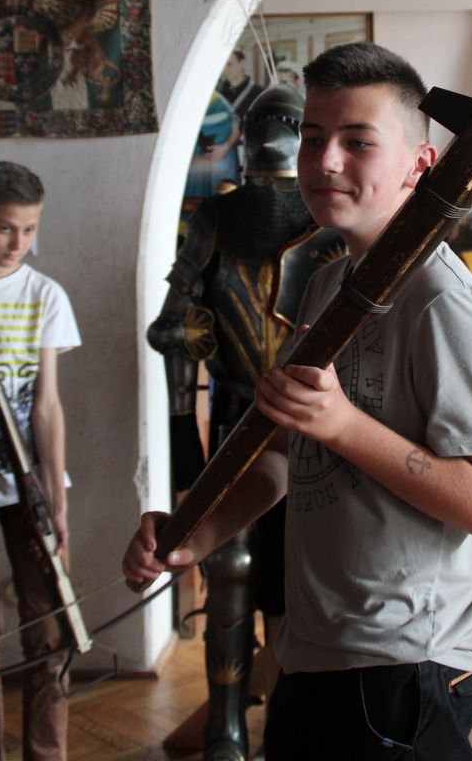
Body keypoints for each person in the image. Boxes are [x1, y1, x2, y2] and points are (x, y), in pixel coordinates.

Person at [124, 42, 472, 761]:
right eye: (313, 138)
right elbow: (284, 454)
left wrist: (345, 426)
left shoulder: (442, 305)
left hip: (408, 660)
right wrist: (197, 535)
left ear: (419, 164)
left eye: (358, 141)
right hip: (314, 648)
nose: (325, 161)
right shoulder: (323, 284)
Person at [147, 84, 346, 761]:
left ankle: (288, 719)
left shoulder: (331, 225)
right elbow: (174, 331)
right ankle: (226, 724)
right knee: (229, 563)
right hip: (237, 411)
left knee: (304, 569)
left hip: (316, 419)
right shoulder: (215, 219)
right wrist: (182, 437)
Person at [0, 161, 81, 761]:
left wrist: (57, 502)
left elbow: (47, 405)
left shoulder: (45, 295)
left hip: (29, 483)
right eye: (3, 228)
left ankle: (47, 754)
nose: (18, 243)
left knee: (49, 629)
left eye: (29, 229)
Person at [179, 89, 241, 233]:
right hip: (195, 162)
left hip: (221, 160)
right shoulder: (183, 98)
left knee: (220, 208)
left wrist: (225, 147)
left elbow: (238, 123)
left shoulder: (217, 97)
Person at [218, 49, 263, 118]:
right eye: (223, 65)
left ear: (242, 63)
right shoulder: (218, 93)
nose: (225, 69)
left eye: (229, 64)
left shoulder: (259, 93)